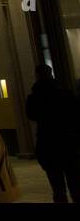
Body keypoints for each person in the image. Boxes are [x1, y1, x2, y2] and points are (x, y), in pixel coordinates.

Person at [24, 64, 80, 203]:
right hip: (69, 142)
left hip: (48, 143)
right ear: (51, 74)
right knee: (75, 184)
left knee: (58, 188)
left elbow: (31, 115)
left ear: (37, 76)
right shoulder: (65, 93)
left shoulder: (34, 97)